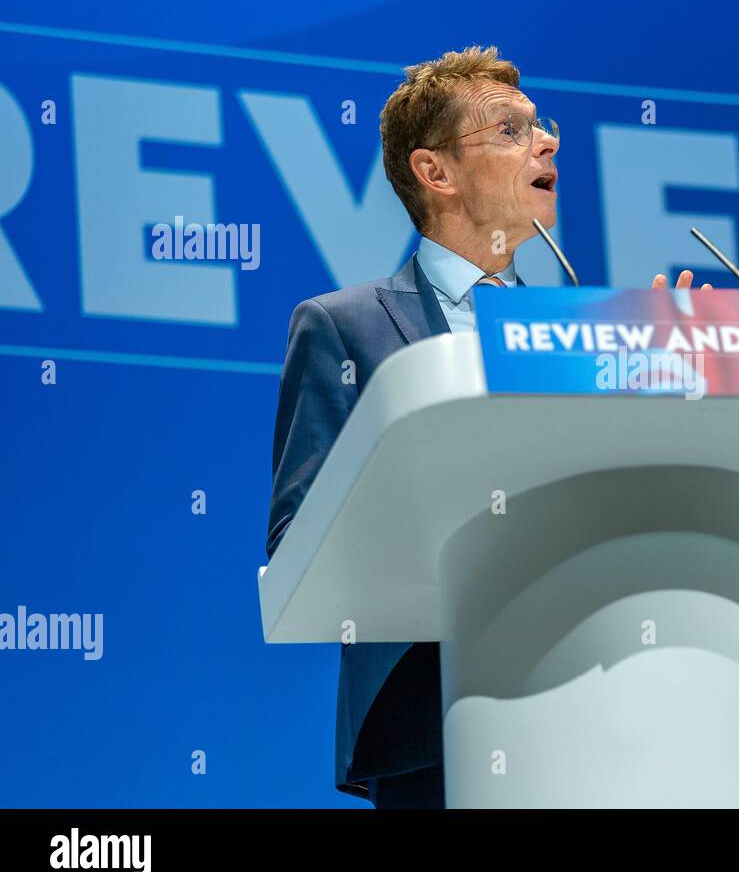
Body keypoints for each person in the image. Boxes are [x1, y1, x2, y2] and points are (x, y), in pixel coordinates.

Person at [266, 45, 711, 808]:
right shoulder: (344, 327)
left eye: (542, 127)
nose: (548, 143)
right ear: (434, 172)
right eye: (510, 130)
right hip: (435, 731)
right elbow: (297, 543)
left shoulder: (584, 333)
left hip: (601, 715)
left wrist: (656, 384)